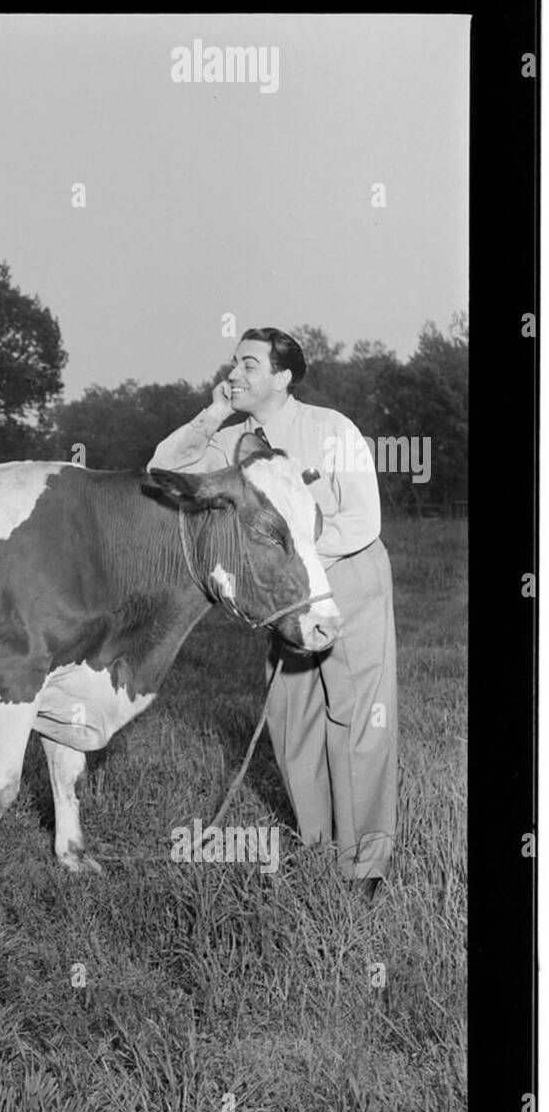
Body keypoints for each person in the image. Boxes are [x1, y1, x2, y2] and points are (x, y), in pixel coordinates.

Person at [148, 327, 397, 895]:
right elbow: (162, 467)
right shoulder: (233, 443)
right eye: (233, 363)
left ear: (282, 377)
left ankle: (364, 865)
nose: (234, 374)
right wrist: (214, 413)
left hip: (346, 573)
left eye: (249, 365)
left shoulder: (331, 429)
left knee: (356, 716)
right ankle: (318, 844)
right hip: (283, 588)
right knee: (291, 717)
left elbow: (364, 520)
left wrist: (296, 555)